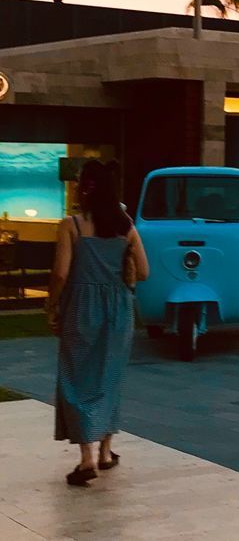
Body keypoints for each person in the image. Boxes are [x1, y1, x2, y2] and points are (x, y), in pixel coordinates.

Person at [50, 159, 150, 487]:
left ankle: (86, 458)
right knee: (109, 375)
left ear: (85, 189)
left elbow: (62, 273)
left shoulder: (72, 225)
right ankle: (107, 451)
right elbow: (145, 272)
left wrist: (52, 306)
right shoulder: (126, 226)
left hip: (81, 306)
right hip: (120, 308)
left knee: (76, 378)